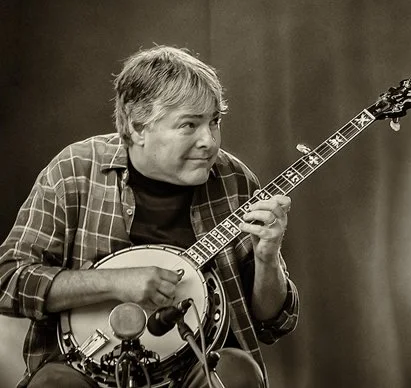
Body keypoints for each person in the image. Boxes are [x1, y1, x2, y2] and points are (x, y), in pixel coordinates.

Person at [0, 46, 299, 387]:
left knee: (238, 374)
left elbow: (273, 322)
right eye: (189, 125)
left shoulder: (234, 180)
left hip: (200, 366)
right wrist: (115, 282)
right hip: (85, 370)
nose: (209, 141)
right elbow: (8, 280)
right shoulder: (74, 172)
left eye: (214, 121)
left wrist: (268, 257)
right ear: (138, 127)